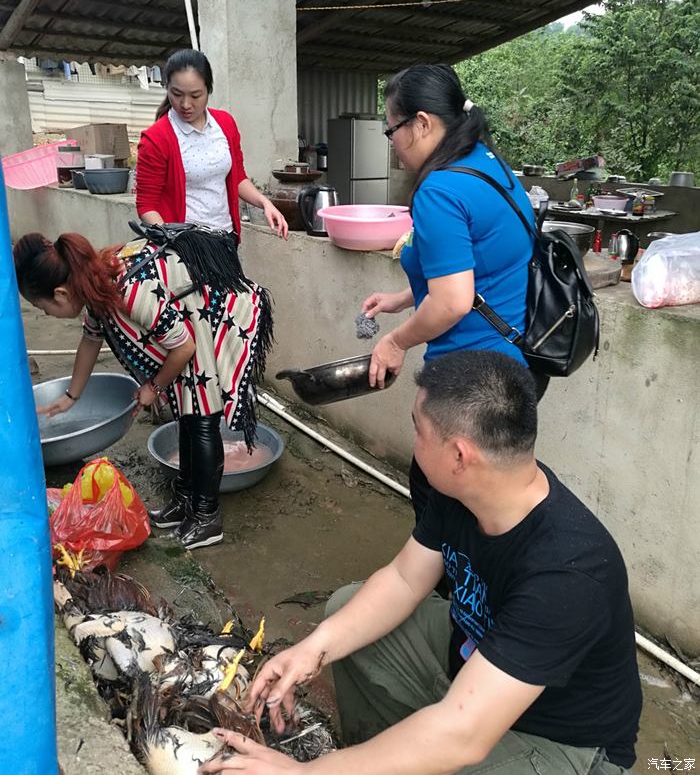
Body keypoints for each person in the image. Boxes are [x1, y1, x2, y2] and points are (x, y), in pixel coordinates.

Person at [200, 350, 642, 775]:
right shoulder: (470, 490)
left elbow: (462, 736)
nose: (413, 440)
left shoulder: (569, 573)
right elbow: (403, 579)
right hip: (471, 660)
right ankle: (372, 754)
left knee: (445, 746)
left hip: (559, 741)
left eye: (418, 429)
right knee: (345, 613)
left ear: (459, 456)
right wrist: (312, 649)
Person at [14, 227, 273, 550]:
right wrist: (70, 397)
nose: (46, 315)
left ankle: (207, 517)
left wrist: (153, 386)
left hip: (206, 325)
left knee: (201, 420)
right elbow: (90, 340)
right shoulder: (94, 286)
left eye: (42, 309)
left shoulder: (130, 293)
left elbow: (184, 348)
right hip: (185, 328)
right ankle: (185, 500)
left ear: (61, 293)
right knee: (186, 418)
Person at [361, 63, 540, 522]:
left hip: (466, 386)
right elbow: (475, 267)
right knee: (488, 514)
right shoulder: (488, 165)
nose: (393, 144)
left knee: (442, 517)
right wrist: (403, 298)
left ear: (421, 123)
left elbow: (455, 301)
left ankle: (447, 592)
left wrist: (395, 340)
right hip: (512, 370)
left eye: (392, 129)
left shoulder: (440, 190)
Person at [136, 48, 288, 239]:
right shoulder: (156, 138)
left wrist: (265, 203)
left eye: (195, 95)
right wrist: (174, 239)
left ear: (209, 90)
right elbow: (146, 205)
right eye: (176, 94)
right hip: (184, 246)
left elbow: (238, 177)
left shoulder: (225, 124)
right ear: (167, 89)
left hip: (225, 237)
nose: (185, 104)